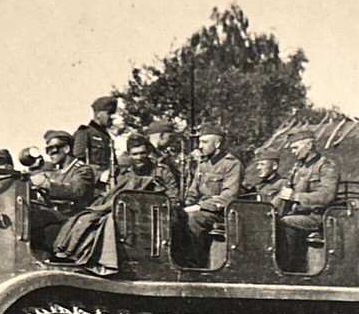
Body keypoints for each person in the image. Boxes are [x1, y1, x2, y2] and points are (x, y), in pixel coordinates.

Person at [52, 135, 178, 275]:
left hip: (151, 218)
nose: (139, 157)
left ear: (148, 152)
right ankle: (81, 255)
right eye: (135, 154)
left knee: (109, 222)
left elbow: (172, 199)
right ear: (129, 155)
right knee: (94, 219)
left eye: (142, 153)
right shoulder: (123, 173)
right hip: (127, 215)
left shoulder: (162, 171)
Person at [274, 129, 339, 271]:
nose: (293, 152)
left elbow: (327, 196)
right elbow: (284, 192)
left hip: (318, 216)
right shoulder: (298, 168)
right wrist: (268, 208)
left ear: (309, 146)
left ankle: (290, 269)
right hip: (298, 215)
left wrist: (296, 197)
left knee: (285, 223)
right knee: (270, 220)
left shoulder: (326, 166)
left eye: (295, 148)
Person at [180, 124, 242, 267]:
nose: (200, 146)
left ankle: (195, 264)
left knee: (195, 219)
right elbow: (193, 191)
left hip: (221, 212)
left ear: (218, 144)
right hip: (201, 210)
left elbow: (228, 196)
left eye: (205, 142)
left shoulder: (232, 164)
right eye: (200, 142)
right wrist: (185, 205)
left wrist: (198, 207)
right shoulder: (203, 164)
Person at [29, 130, 96, 251]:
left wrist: (46, 184)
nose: (50, 154)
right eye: (47, 151)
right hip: (55, 219)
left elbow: (76, 190)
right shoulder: (56, 173)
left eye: (53, 150)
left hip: (71, 221)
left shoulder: (83, 170)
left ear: (66, 149)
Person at [73, 96, 117, 177]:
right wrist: (98, 174)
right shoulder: (84, 133)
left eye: (113, 113)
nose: (112, 117)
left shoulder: (107, 137)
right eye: (109, 113)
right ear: (97, 114)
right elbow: (77, 163)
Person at [146, 118, 187, 192]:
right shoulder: (144, 155)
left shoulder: (164, 156)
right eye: (170, 137)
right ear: (161, 136)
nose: (170, 141)